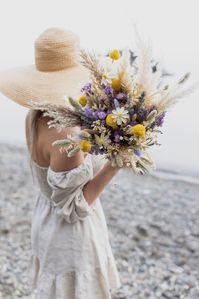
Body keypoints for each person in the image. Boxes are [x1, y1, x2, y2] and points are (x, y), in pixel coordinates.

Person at [0, 27, 122, 298]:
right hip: (70, 234)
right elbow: (73, 208)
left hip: (45, 220)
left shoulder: (37, 114)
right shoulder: (67, 133)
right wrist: (115, 164)